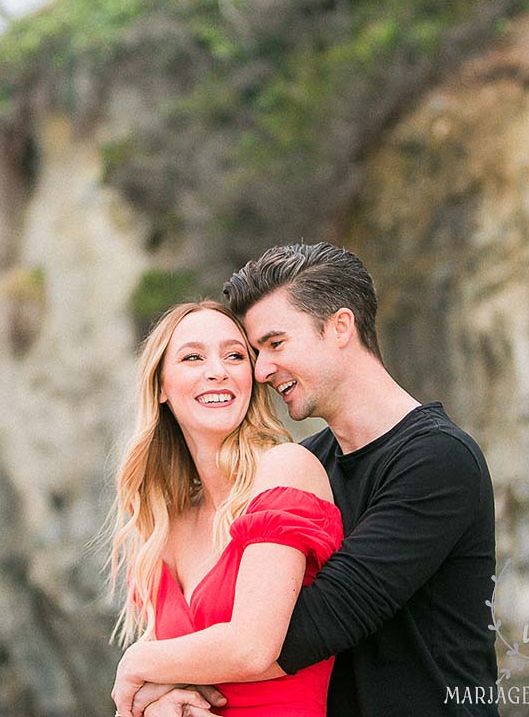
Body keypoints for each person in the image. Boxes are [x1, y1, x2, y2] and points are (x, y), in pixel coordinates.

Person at [127, 242, 499, 716]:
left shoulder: (438, 461)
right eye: (256, 351)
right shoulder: (308, 463)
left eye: (275, 344)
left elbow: (310, 627)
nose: (262, 371)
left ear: (340, 327)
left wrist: (147, 669)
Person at [109, 301, 344, 717]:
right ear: (161, 386)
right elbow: (138, 700)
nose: (217, 370)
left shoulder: (285, 469)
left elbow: (252, 647)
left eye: (234, 356)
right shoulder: (166, 523)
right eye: (193, 357)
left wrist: (137, 662)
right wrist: (162, 707)